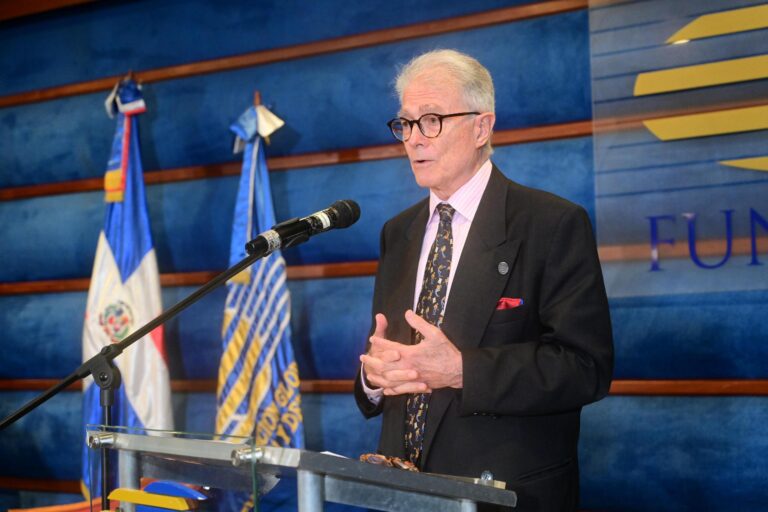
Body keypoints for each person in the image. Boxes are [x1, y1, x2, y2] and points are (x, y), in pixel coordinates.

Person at [354, 49, 614, 511]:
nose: (414, 139)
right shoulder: (399, 233)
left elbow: (584, 368)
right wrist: (374, 376)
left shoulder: (550, 224)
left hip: (505, 494)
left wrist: (461, 370)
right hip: (403, 495)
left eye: (431, 120)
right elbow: (395, 357)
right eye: (405, 123)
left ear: (481, 127)